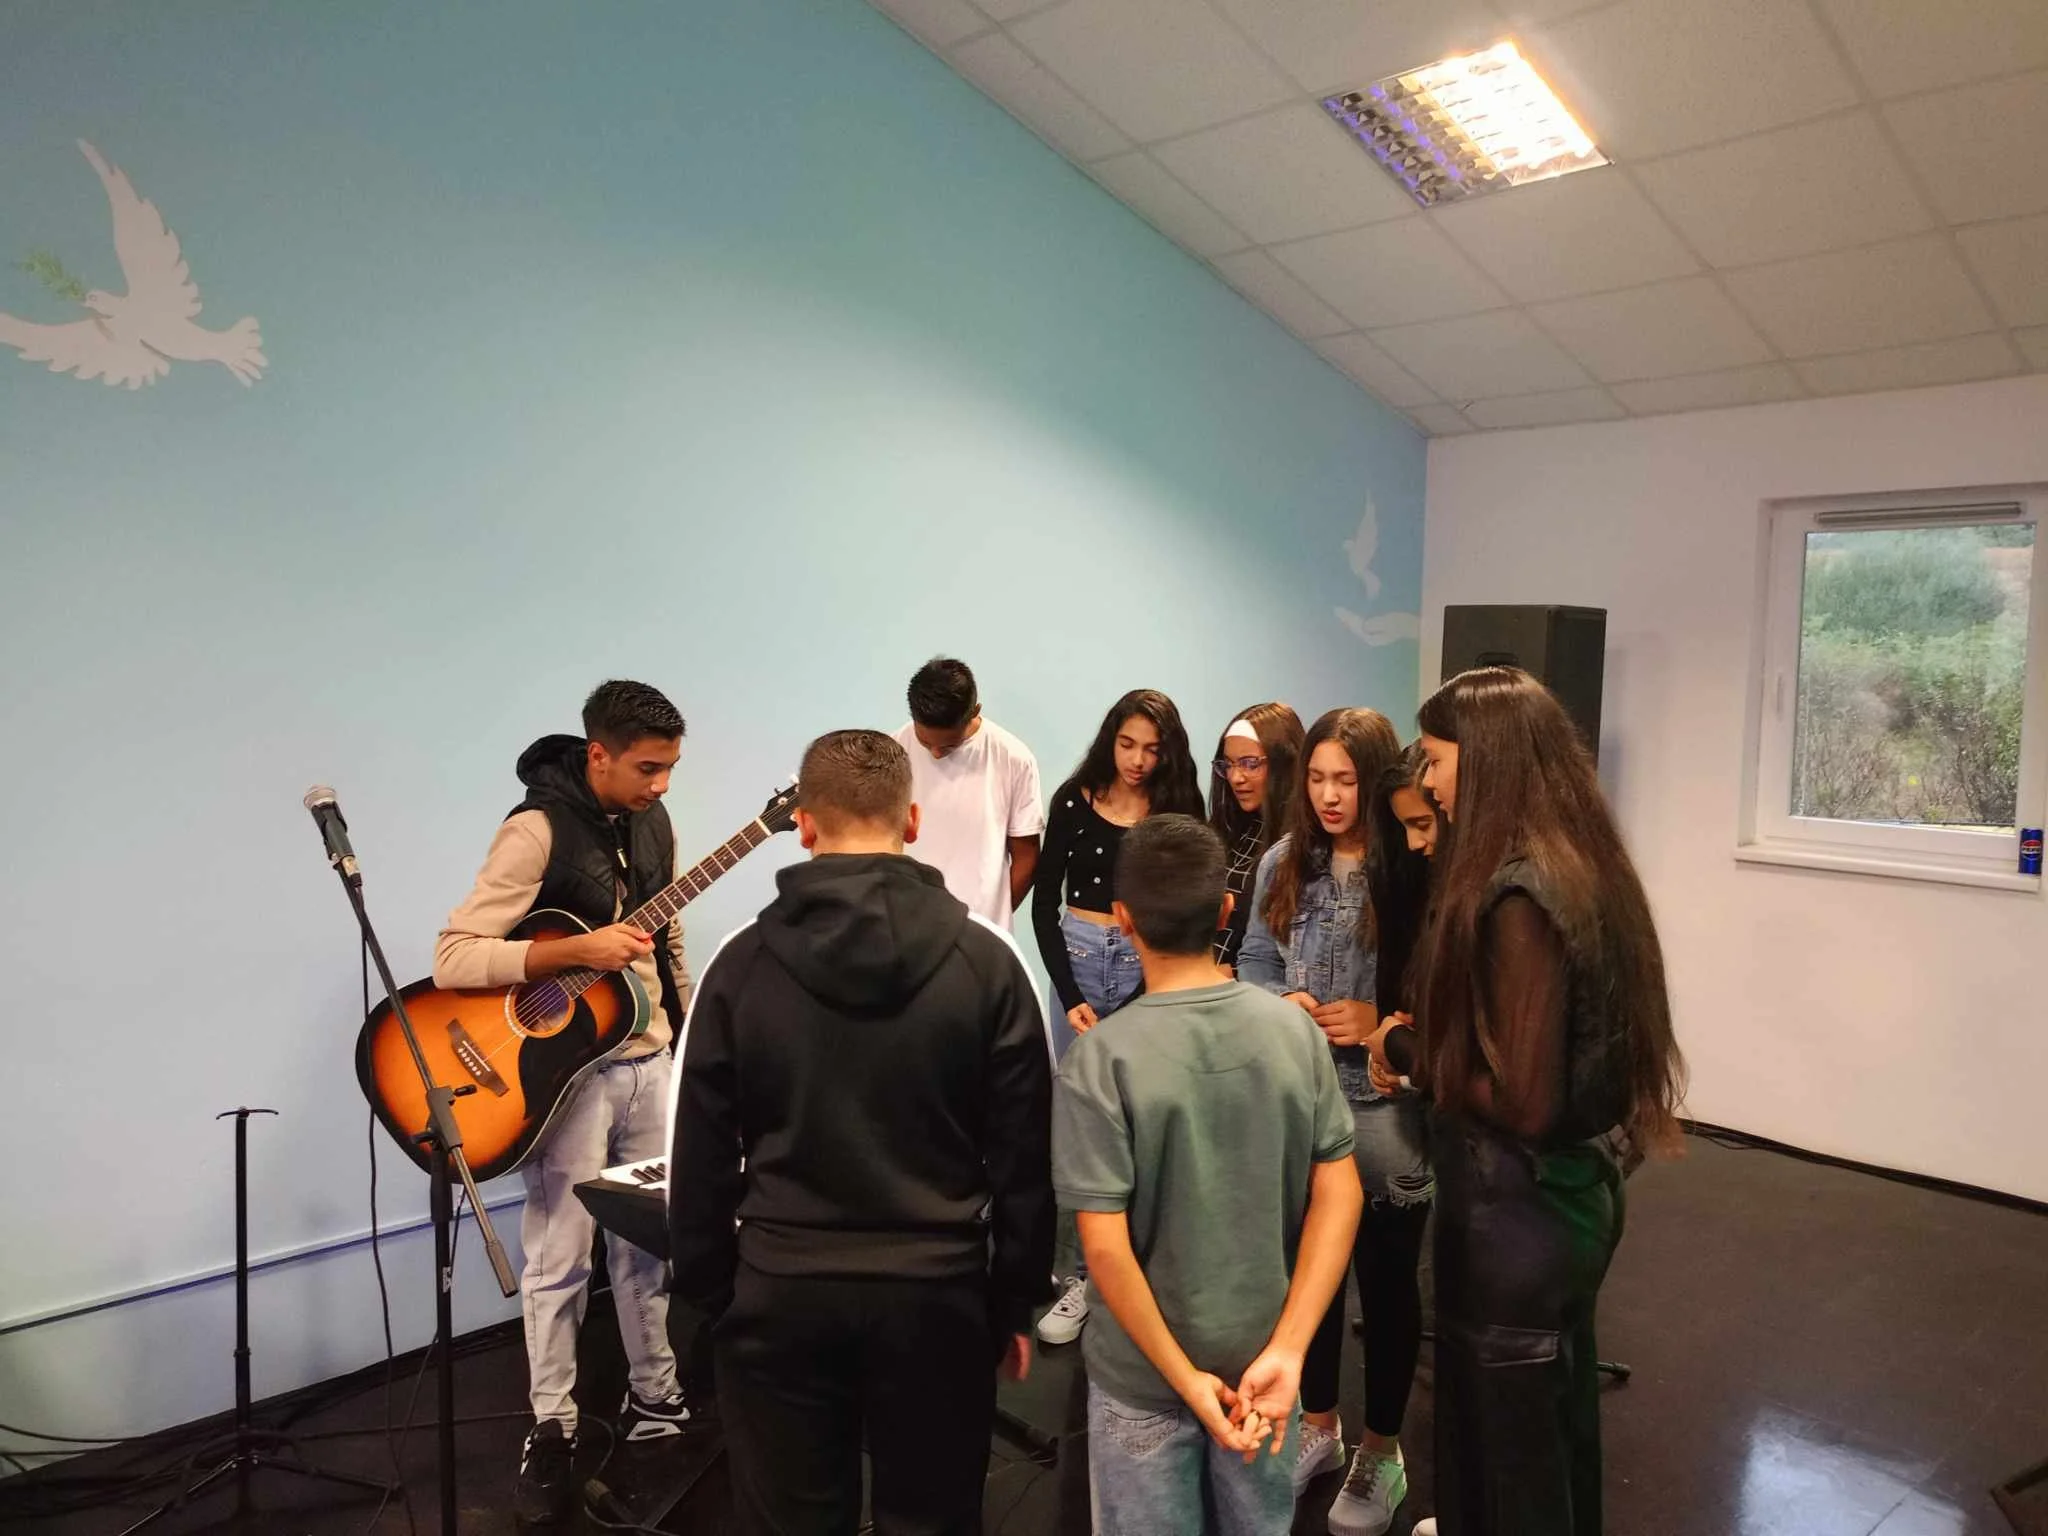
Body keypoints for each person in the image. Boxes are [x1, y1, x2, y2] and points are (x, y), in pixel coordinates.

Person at [667, 729, 1055, 1536]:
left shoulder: (737, 967)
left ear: (803, 825)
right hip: (938, 1301)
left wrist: (711, 1306)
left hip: (780, 1298)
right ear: (912, 821)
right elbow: (1025, 1160)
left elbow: (696, 1162)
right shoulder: (990, 963)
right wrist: (1014, 1304)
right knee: (937, 1519)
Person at [1376, 668, 1686, 1536]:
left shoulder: (1521, 893)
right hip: (1556, 1207)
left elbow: (1521, 1098)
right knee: (1541, 1433)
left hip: (1517, 1218)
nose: (1428, 781)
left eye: (1436, 763)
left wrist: (1403, 1049)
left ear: (1488, 762)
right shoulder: (1578, 864)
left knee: (1512, 1456)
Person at [1054, 814, 1365, 1536]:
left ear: (1123, 920)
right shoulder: (1293, 1031)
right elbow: (1340, 1193)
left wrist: (1188, 1384)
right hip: (1263, 1369)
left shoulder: (1101, 1060)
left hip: (1142, 1382)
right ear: (1227, 911)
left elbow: (1104, 1250)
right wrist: (1289, 1351)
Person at [433, 680, 695, 1526]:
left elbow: (672, 940)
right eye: (648, 768)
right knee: (560, 1255)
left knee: (648, 1245)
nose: (661, 785)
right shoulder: (534, 830)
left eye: (670, 769)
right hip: (567, 1081)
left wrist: (687, 1038)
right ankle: (553, 1422)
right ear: (599, 755)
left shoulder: (656, 823)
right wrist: (577, 950)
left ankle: (658, 1393)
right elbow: (453, 959)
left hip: (650, 1063)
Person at [1238, 710, 1431, 1536]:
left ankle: (1382, 1452)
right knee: (1305, 1285)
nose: (1327, 795)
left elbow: (1445, 986)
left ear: (1375, 781)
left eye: (1345, 780)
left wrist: (1382, 1015)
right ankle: (1319, 1428)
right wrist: (1281, 1004)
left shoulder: (1414, 870)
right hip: (1301, 1101)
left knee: (1386, 1287)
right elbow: (1250, 960)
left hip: (1386, 1105)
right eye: (1316, 778)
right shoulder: (1285, 861)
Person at [1030, 688, 1203, 1345]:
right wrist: (1071, 993)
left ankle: (1140, 1278)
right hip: (1075, 957)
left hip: (1147, 962)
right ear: (1110, 739)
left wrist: (1138, 1001)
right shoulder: (1076, 798)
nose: (1137, 760)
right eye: (1127, 744)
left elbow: (1188, 909)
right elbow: (1044, 904)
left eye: (1151, 748)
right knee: (1080, 1126)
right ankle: (1079, 1278)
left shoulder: (1180, 808)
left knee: (1145, 1120)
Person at [893, 656, 1044, 929]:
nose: (936, 754)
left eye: (949, 746)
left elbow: (1027, 857)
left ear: (975, 711)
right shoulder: (893, 752)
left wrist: (991, 920)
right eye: (925, 742)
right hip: (908, 926)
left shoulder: (1014, 758)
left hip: (981, 932)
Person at [1207, 702, 1305, 973]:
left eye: (1250, 764)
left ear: (1285, 764)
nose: (1236, 777)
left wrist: (1235, 973)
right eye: (1227, 765)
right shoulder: (1224, 832)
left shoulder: (1300, 846)